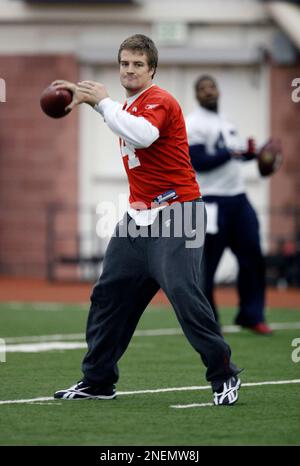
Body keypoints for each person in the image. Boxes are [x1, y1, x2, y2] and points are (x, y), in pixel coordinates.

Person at [53, 35, 241, 405]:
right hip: (138, 215)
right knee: (108, 295)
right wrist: (90, 99)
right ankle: (98, 381)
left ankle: (223, 374)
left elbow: (143, 135)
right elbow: (123, 120)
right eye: (124, 63)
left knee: (184, 293)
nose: (130, 70)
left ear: (151, 69)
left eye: (138, 64)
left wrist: (102, 102)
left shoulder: (159, 100)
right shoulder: (126, 106)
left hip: (179, 211)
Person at [185, 75, 272, 335]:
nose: (209, 92)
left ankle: (251, 314)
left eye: (212, 87)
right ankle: (208, 321)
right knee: (206, 266)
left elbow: (236, 155)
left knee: (253, 258)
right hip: (210, 201)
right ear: (196, 95)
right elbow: (199, 161)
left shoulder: (227, 122)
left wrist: (255, 154)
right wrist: (232, 152)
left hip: (238, 198)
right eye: (203, 89)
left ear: (219, 91)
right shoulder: (193, 123)